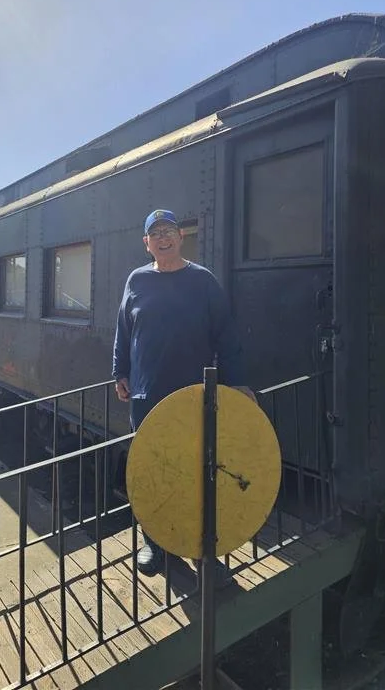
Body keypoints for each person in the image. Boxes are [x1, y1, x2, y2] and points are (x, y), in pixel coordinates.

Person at [112, 209, 255, 576]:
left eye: (169, 231)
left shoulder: (203, 281)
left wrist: (237, 382)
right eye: (155, 233)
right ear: (147, 244)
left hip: (194, 396)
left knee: (197, 470)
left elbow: (226, 335)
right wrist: (120, 372)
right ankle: (154, 543)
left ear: (180, 237)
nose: (163, 237)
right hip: (146, 395)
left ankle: (201, 549)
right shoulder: (136, 280)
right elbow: (124, 332)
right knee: (151, 469)